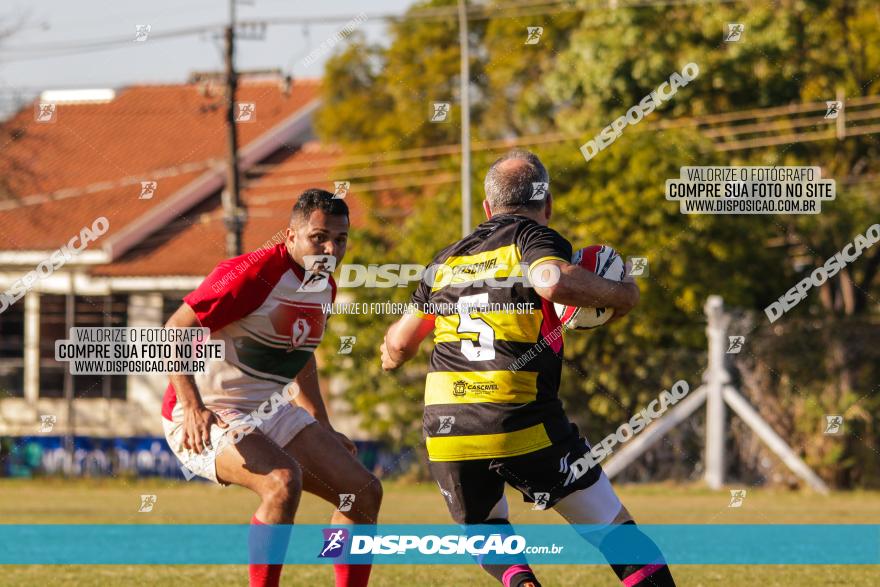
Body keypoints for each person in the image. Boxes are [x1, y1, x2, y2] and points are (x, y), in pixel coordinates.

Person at [380, 151, 675, 587]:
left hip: (448, 431)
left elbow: (400, 343)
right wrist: (622, 295)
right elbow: (552, 281)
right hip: (520, 421)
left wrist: (388, 357)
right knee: (618, 536)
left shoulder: (445, 261)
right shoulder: (534, 237)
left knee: (489, 534)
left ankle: (521, 580)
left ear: (486, 208)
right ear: (547, 204)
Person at [163, 189, 381, 587]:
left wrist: (321, 422)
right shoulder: (252, 272)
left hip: (269, 410)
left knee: (362, 492)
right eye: (319, 237)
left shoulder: (323, 285)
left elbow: (302, 354)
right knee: (282, 482)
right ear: (291, 236)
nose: (331, 248)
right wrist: (192, 405)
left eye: (341, 238)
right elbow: (174, 329)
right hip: (205, 411)